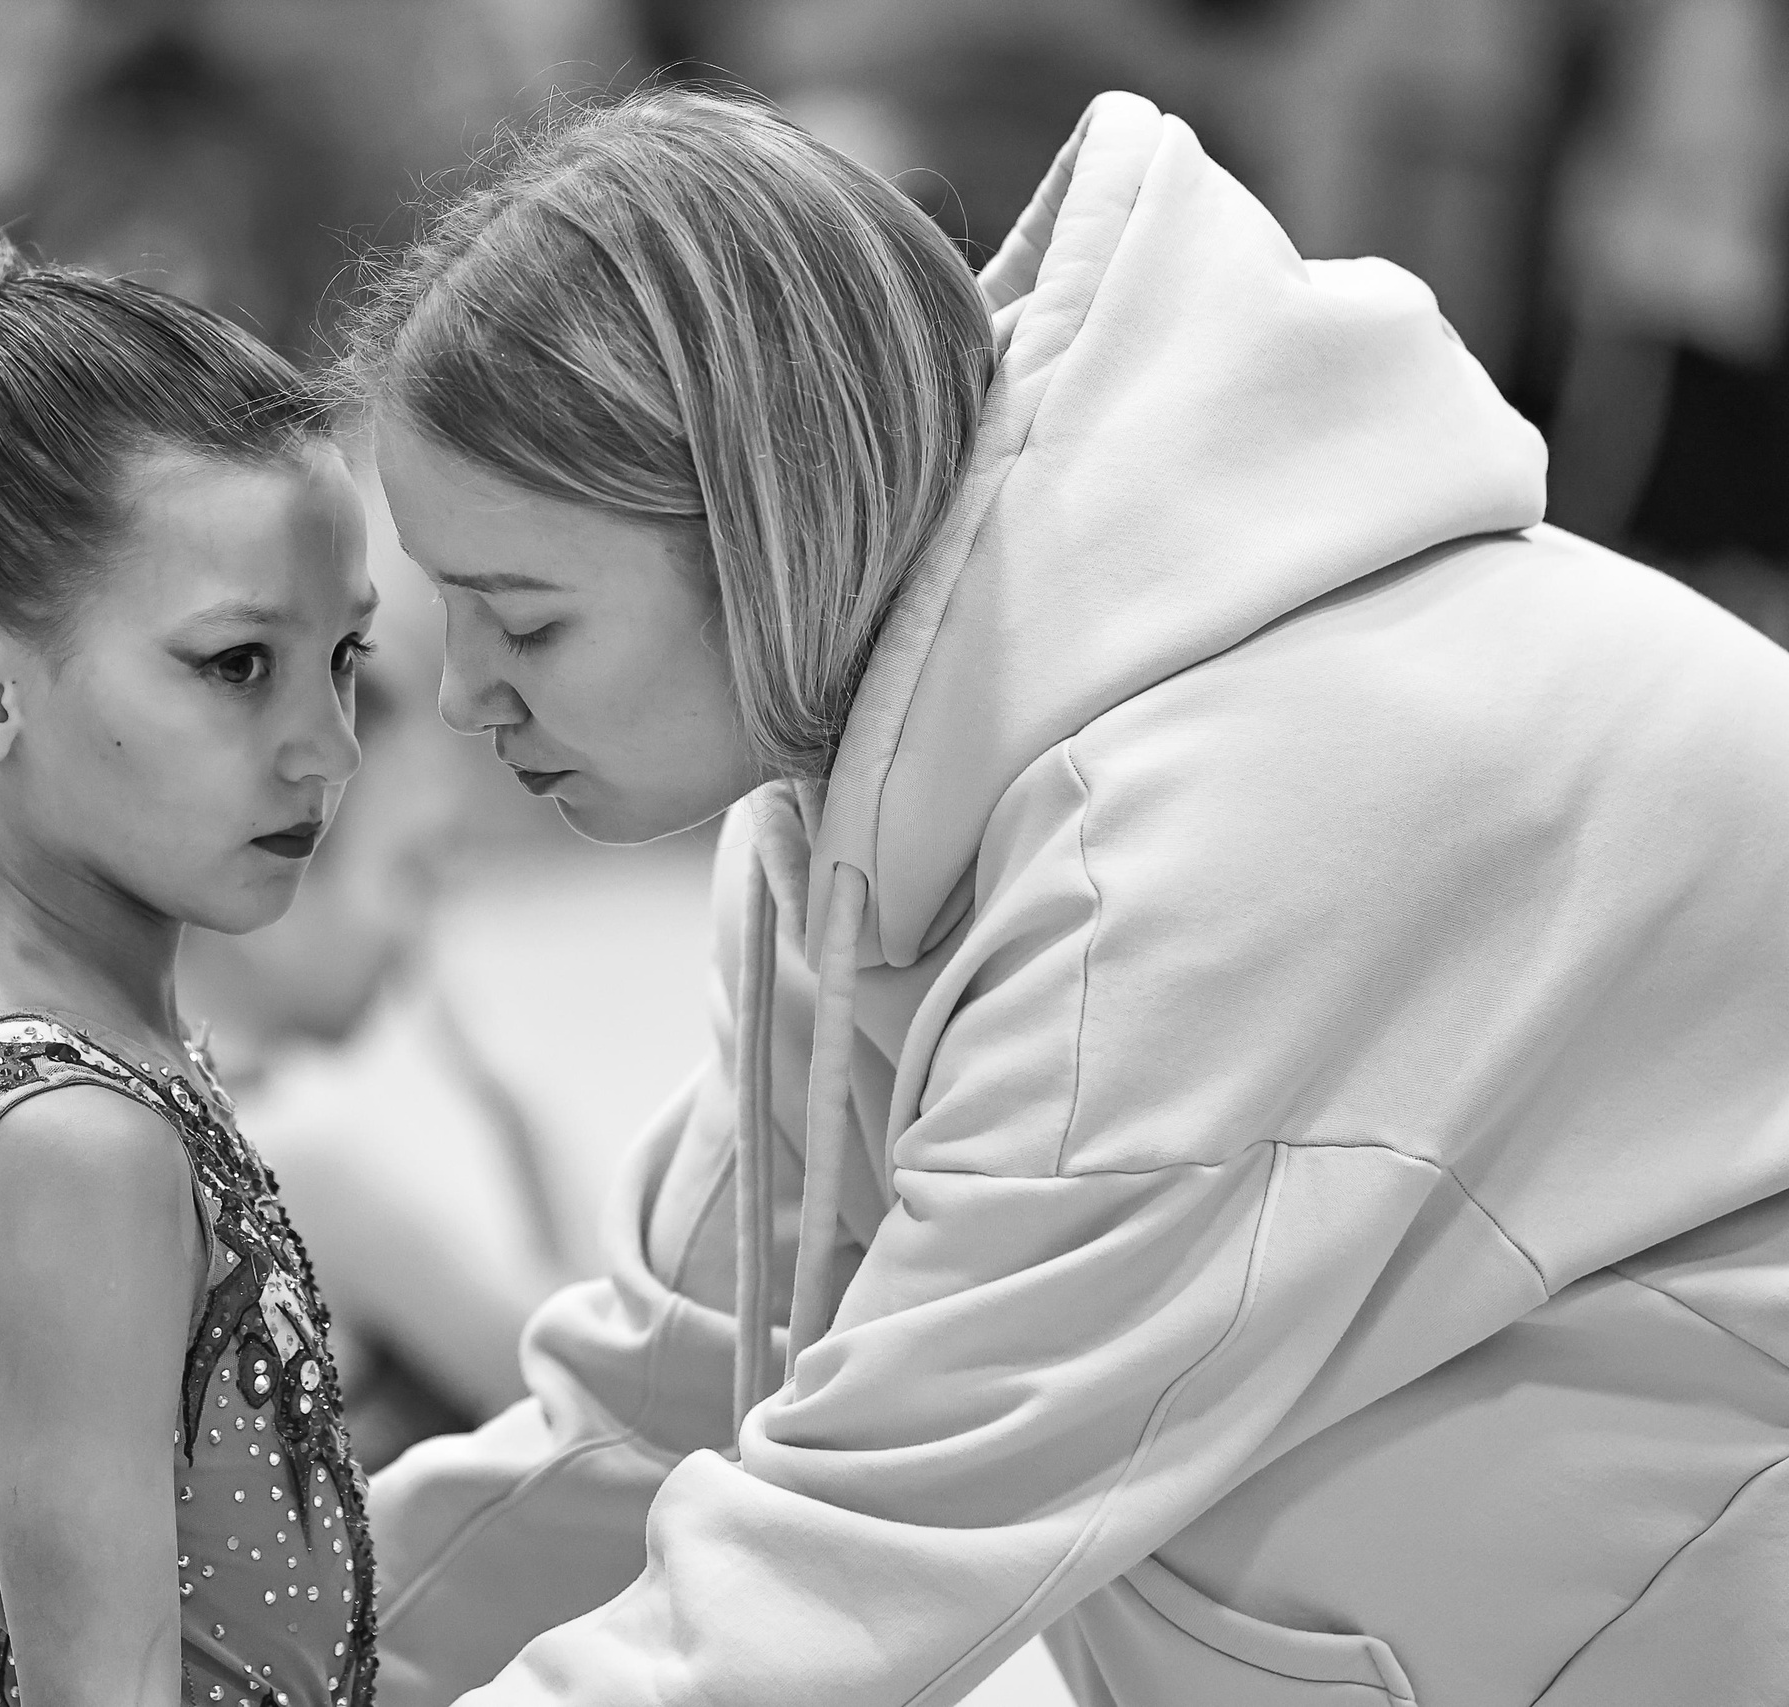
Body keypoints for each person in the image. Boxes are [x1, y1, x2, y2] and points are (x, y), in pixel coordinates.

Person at [344, 87, 1789, 1707]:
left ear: (768, 529)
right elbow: (672, 1390)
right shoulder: (889, 785)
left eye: (524, 624)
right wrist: (251, 1641)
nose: (462, 696)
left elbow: (860, 1553)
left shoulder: (1195, 853)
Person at [0, 166, 381, 1707]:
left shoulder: (88, 1067)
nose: (324, 749)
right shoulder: (74, 1139)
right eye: (234, 667)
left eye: (344, 660)